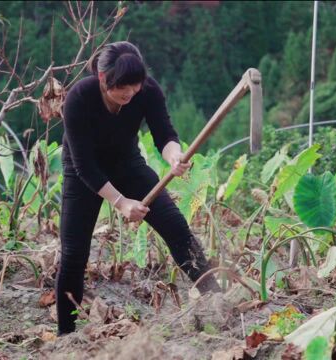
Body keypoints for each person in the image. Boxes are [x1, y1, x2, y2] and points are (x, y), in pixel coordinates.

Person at [56, 41, 221, 335]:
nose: (130, 93)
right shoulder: (79, 98)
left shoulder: (148, 91)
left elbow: (164, 134)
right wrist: (120, 202)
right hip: (83, 171)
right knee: (74, 253)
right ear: (104, 78)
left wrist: (175, 157)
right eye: (123, 86)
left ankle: (217, 300)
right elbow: (84, 167)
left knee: (176, 227)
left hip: (127, 163)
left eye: (136, 85)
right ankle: (67, 334)